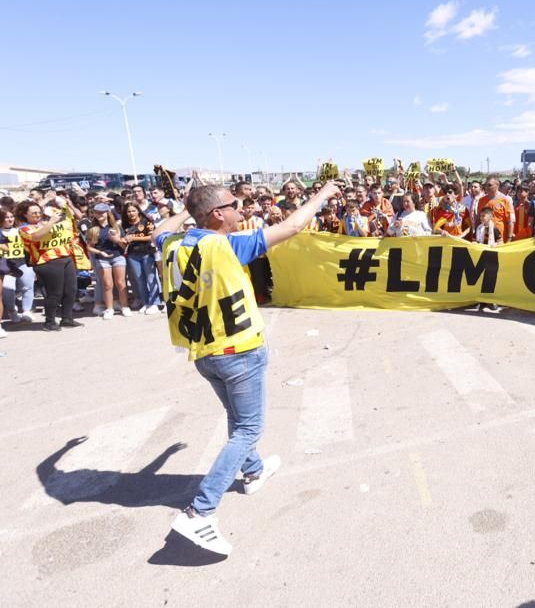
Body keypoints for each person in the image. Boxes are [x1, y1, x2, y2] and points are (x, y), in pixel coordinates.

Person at [155, 180, 342, 556]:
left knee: (237, 417)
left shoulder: (173, 243)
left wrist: (187, 210)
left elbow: (159, 231)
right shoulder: (223, 245)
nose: (242, 209)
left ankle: (253, 470)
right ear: (217, 215)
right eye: (234, 204)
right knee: (249, 427)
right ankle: (200, 512)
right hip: (238, 349)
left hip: (204, 353)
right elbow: (291, 227)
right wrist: (322, 195)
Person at [17, 197, 82, 331]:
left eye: (38, 212)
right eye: (33, 213)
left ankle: (67, 318)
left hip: (65, 257)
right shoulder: (24, 229)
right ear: (25, 215)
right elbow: (36, 236)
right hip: (47, 262)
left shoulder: (45, 223)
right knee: (54, 294)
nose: (38, 215)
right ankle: (50, 322)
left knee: (70, 290)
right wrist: (51, 222)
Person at [85, 203, 131, 319]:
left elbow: (124, 246)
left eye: (102, 212)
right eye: (97, 212)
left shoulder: (116, 227)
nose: (99, 214)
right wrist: (100, 252)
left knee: (120, 283)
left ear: (107, 213)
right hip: (102, 258)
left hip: (117, 257)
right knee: (107, 284)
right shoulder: (93, 229)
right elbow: (89, 246)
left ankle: (125, 306)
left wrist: (116, 240)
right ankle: (109, 308)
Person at [121, 203, 162, 315]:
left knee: (151, 278)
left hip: (147, 253)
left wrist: (134, 237)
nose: (131, 213)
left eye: (133, 210)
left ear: (138, 210)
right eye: (129, 211)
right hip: (132, 254)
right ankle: (146, 302)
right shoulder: (124, 224)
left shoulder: (146, 221)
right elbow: (122, 238)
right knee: (139, 280)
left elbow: (152, 236)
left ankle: (155, 303)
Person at [1, 208, 35, 323]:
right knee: (8, 290)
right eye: (6, 217)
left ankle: (26, 311)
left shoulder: (20, 230)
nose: (10, 219)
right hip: (6, 264)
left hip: (22, 261)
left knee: (27, 286)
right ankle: (12, 311)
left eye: (11, 217)